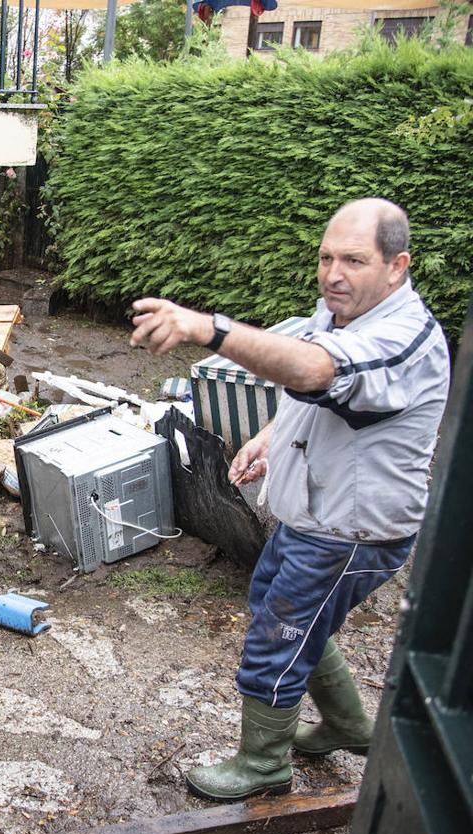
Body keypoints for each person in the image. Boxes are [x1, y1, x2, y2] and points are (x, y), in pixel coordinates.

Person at [128, 197, 450, 802]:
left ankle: (263, 764)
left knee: (279, 636)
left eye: (353, 260)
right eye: (327, 257)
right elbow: (314, 386)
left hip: (353, 530)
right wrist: (272, 438)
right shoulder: (341, 313)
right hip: (313, 514)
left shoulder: (402, 337)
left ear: (397, 266)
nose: (333, 273)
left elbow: (316, 370)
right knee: (280, 609)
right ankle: (350, 725)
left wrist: (209, 328)